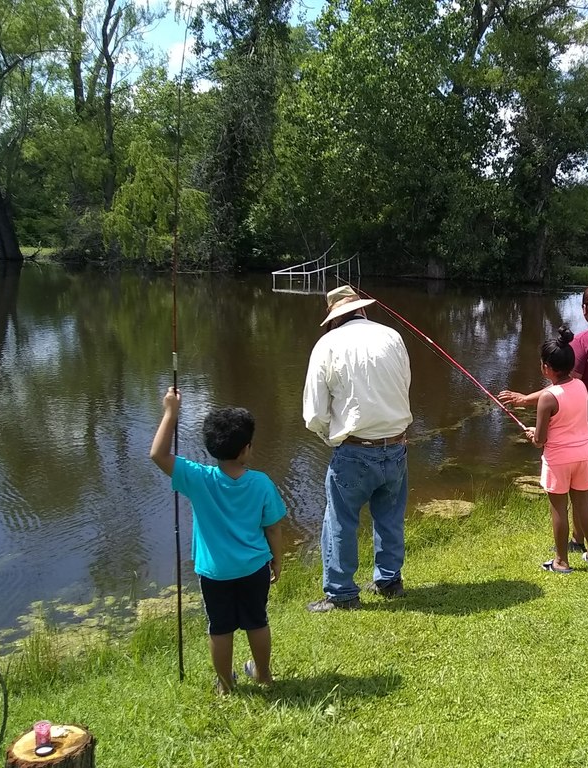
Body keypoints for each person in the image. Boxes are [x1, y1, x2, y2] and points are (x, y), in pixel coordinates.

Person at [150, 388, 286, 694]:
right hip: (254, 567)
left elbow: (158, 454)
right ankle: (263, 676)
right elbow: (273, 529)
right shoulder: (261, 483)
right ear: (246, 449)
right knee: (257, 621)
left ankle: (225, 685)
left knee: (220, 627)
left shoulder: (198, 478)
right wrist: (277, 560)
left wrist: (171, 412)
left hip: (215, 572)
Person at [501, 283, 588, 548]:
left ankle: (578, 540)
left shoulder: (584, 342)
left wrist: (525, 399)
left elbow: (562, 389)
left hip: (587, 427)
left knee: (582, 486)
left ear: (585, 309)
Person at [302, 285, 413, 612]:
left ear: (333, 318)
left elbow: (314, 414)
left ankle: (341, 593)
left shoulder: (327, 344)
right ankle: (390, 580)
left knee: (340, 521)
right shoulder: (393, 336)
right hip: (397, 445)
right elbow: (404, 385)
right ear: (362, 309)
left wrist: (330, 437)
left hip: (354, 449)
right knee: (390, 517)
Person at [526, 326, 588, 573]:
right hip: (582, 455)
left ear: (546, 367)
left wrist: (532, 434)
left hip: (559, 460)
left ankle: (561, 561)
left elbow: (540, 440)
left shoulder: (548, 397)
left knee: (559, 509)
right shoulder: (581, 385)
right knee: (584, 506)